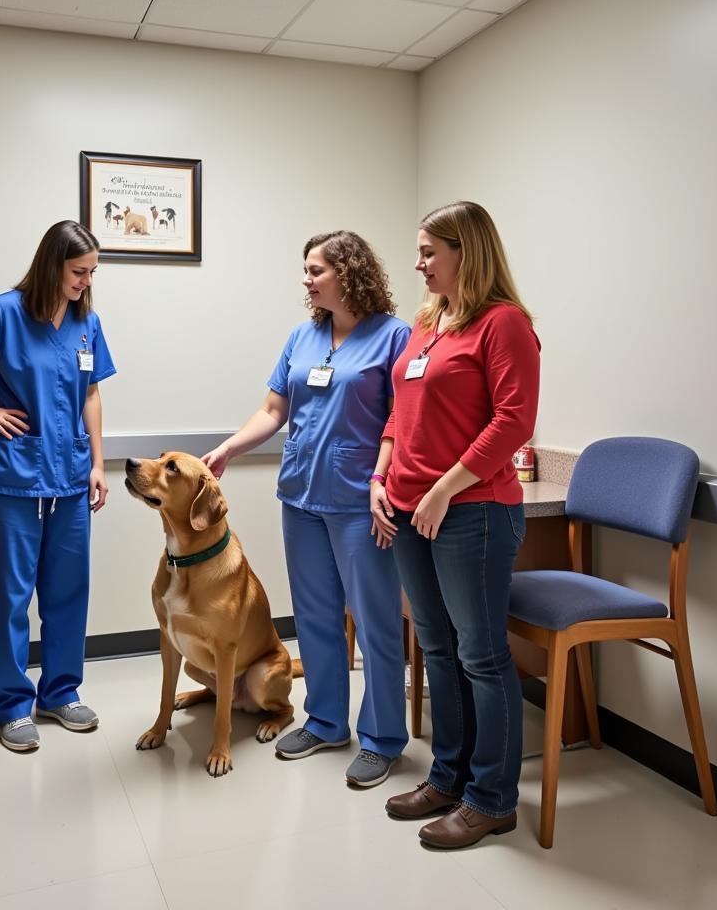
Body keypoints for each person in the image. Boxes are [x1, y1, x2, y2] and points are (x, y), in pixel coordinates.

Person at [203, 231, 410, 788]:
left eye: (316, 268)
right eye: (307, 269)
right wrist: (228, 447)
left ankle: (383, 737)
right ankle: (324, 721)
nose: (306, 278)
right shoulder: (303, 336)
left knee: (375, 622)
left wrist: (383, 480)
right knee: (315, 616)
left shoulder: (394, 337)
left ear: (348, 271)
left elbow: (403, 421)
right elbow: (275, 407)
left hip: (360, 502)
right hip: (301, 494)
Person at [371, 201, 539, 849]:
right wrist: (382, 477)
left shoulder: (505, 324)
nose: (418, 264)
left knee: (481, 654)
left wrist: (445, 487)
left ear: (466, 252)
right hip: (411, 508)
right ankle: (448, 778)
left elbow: (514, 421)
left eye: (428, 252)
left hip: (473, 512)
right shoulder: (429, 321)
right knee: (436, 647)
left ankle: (492, 799)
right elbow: (399, 413)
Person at [0, 221, 115, 752]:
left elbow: (91, 393)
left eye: (92, 273)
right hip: (11, 476)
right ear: (52, 264)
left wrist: (98, 462)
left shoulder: (86, 322)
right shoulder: (4, 312)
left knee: (68, 588)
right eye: (79, 271)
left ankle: (60, 692)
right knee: (10, 595)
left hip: (72, 475)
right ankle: (11, 704)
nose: (85, 281)